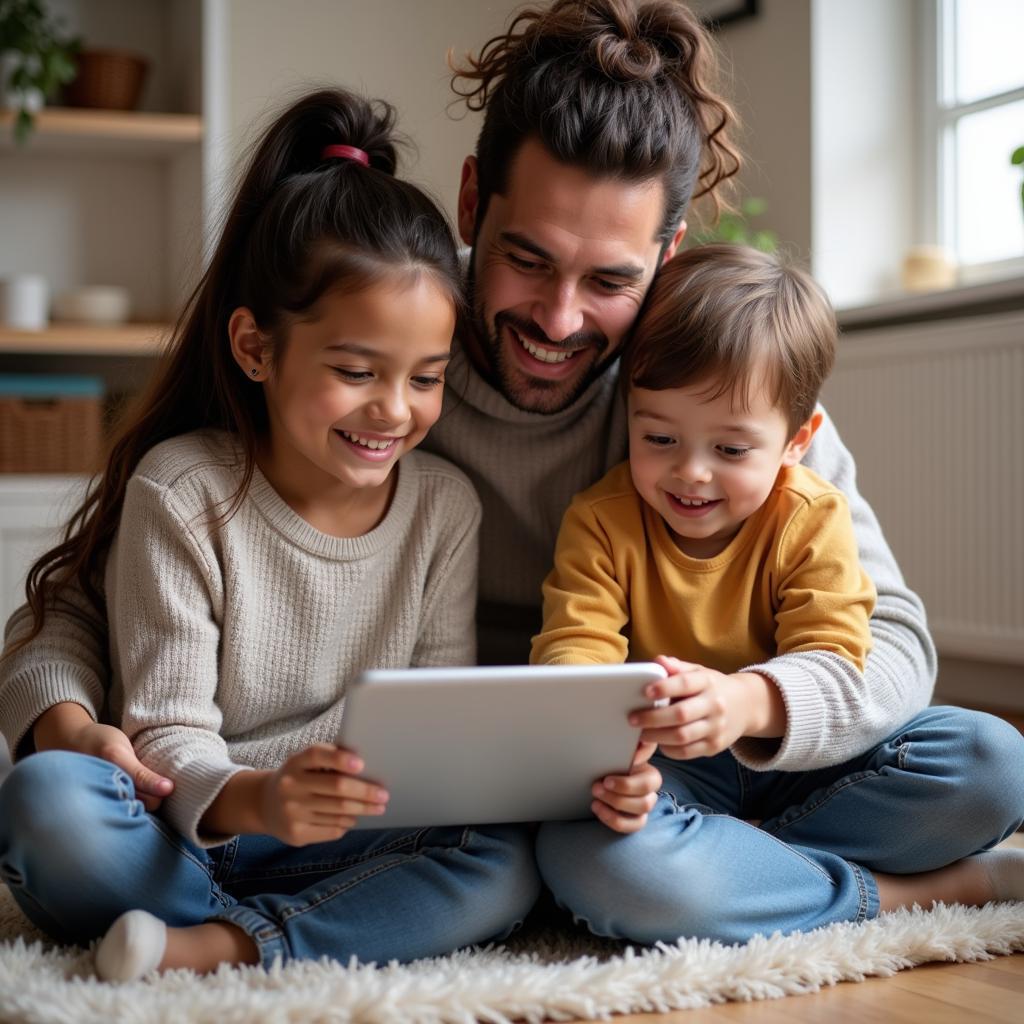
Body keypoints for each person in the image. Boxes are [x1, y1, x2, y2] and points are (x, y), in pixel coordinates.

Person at [2, 0, 1021, 951]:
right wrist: (67, 720)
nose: (559, 318)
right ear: (471, 203)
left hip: (665, 776)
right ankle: (794, 887)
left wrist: (754, 699)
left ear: (666, 256)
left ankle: (838, 891)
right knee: (57, 807)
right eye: (528, 259)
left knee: (986, 764)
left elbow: (889, 643)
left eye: (610, 279)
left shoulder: (708, 397)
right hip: (366, 791)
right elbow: (88, 596)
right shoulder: (377, 338)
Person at [0, 88, 539, 981]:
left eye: (428, 378)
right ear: (256, 348)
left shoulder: (446, 506)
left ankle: (228, 945)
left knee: (511, 861)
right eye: (357, 370)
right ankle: (328, 926)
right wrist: (263, 798)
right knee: (50, 802)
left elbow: (436, 726)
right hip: (191, 828)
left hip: (349, 837)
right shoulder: (185, 490)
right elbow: (166, 732)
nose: (394, 411)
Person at [530, 244, 1024, 942]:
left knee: (995, 761)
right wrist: (609, 761)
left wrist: (742, 702)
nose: (691, 474)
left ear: (798, 440)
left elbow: (837, 656)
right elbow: (573, 656)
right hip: (675, 777)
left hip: (808, 767)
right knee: (589, 855)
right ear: (630, 414)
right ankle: (921, 892)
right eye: (660, 436)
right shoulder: (601, 522)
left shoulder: (810, 513)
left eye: (731, 450)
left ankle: (743, 868)